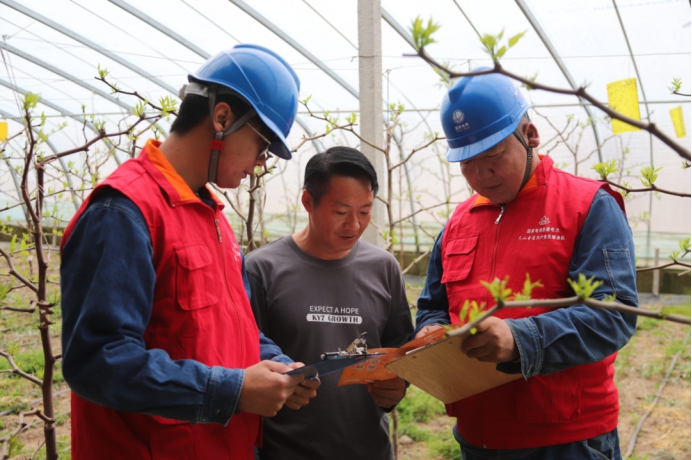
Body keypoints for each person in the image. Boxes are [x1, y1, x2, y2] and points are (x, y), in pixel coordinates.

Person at [60, 45, 320, 460]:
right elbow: (97, 361)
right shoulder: (124, 212)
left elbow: (233, 326)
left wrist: (277, 364)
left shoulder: (211, 215)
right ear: (222, 118)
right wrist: (232, 391)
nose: (260, 162)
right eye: (261, 144)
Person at [414, 70, 638, 459]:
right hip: (479, 436)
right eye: (466, 161)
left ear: (530, 135)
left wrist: (521, 339)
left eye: (492, 155)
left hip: (566, 439)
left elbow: (615, 314)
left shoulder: (587, 206)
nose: (480, 174)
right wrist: (431, 331)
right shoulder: (458, 222)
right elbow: (433, 304)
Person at [245, 147, 414, 460]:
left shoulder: (383, 267)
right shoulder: (262, 269)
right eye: (340, 212)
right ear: (308, 202)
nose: (354, 225)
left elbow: (401, 351)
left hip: (368, 450)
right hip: (283, 451)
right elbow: (245, 356)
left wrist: (397, 387)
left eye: (365, 212)